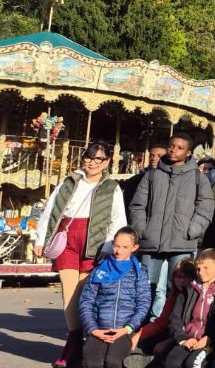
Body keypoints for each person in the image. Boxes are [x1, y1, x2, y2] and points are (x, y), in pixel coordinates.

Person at [33, 141, 127, 368]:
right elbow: (50, 211)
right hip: (66, 238)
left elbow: (118, 220)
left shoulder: (111, 187)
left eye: (99, 159)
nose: (92, 162)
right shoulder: (69, 182)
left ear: (106, 162)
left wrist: (109, 248)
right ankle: (74, 338)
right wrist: (40, 239)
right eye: (89, 157)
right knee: (69, 291)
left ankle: (84, 341)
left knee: (85, 293)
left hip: (94, 242)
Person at [129, 133, 213, 321]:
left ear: (189, 152)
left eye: (180, 147)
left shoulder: (198, 178)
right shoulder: (152, 175)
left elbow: (205, 208)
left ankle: (172, 327)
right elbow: (137, 205)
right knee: (145, 287)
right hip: (152, 240)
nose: (174, 150)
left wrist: (192, 230)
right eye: (172, 146)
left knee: (178, 287)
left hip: (181, 241)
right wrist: (142, 229)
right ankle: (142, 326)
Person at [79, 226, 151, 368]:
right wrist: (93, 329)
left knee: (113, 361)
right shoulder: (99, 270)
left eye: (125, 247)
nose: (119, 251)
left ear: (134, 247)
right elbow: (86, 302)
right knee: (92, 362)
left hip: (124, 330)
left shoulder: (139, 272)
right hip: (99, 329)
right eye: (116, 246)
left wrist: (127, 329)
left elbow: (143, 303)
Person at [163, 249, 215, 368]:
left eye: (206, 268)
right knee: (172, 361)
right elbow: (175, 318)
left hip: (209, 341)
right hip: (187, 338)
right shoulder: (189, 289)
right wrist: (182, 339)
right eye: (198, 269)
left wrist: (210, 338)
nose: (201, 272)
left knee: (193, 363)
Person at [129, 259, 195, 361]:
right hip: (169, 332)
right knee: (138, 342)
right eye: (178, 277)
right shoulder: (174, 296)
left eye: (186, 277)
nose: (181, 281)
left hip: (185, 337)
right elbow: (161, 323)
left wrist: (171, 340)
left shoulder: (195, 297)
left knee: (159, 348)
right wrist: (139, 334)